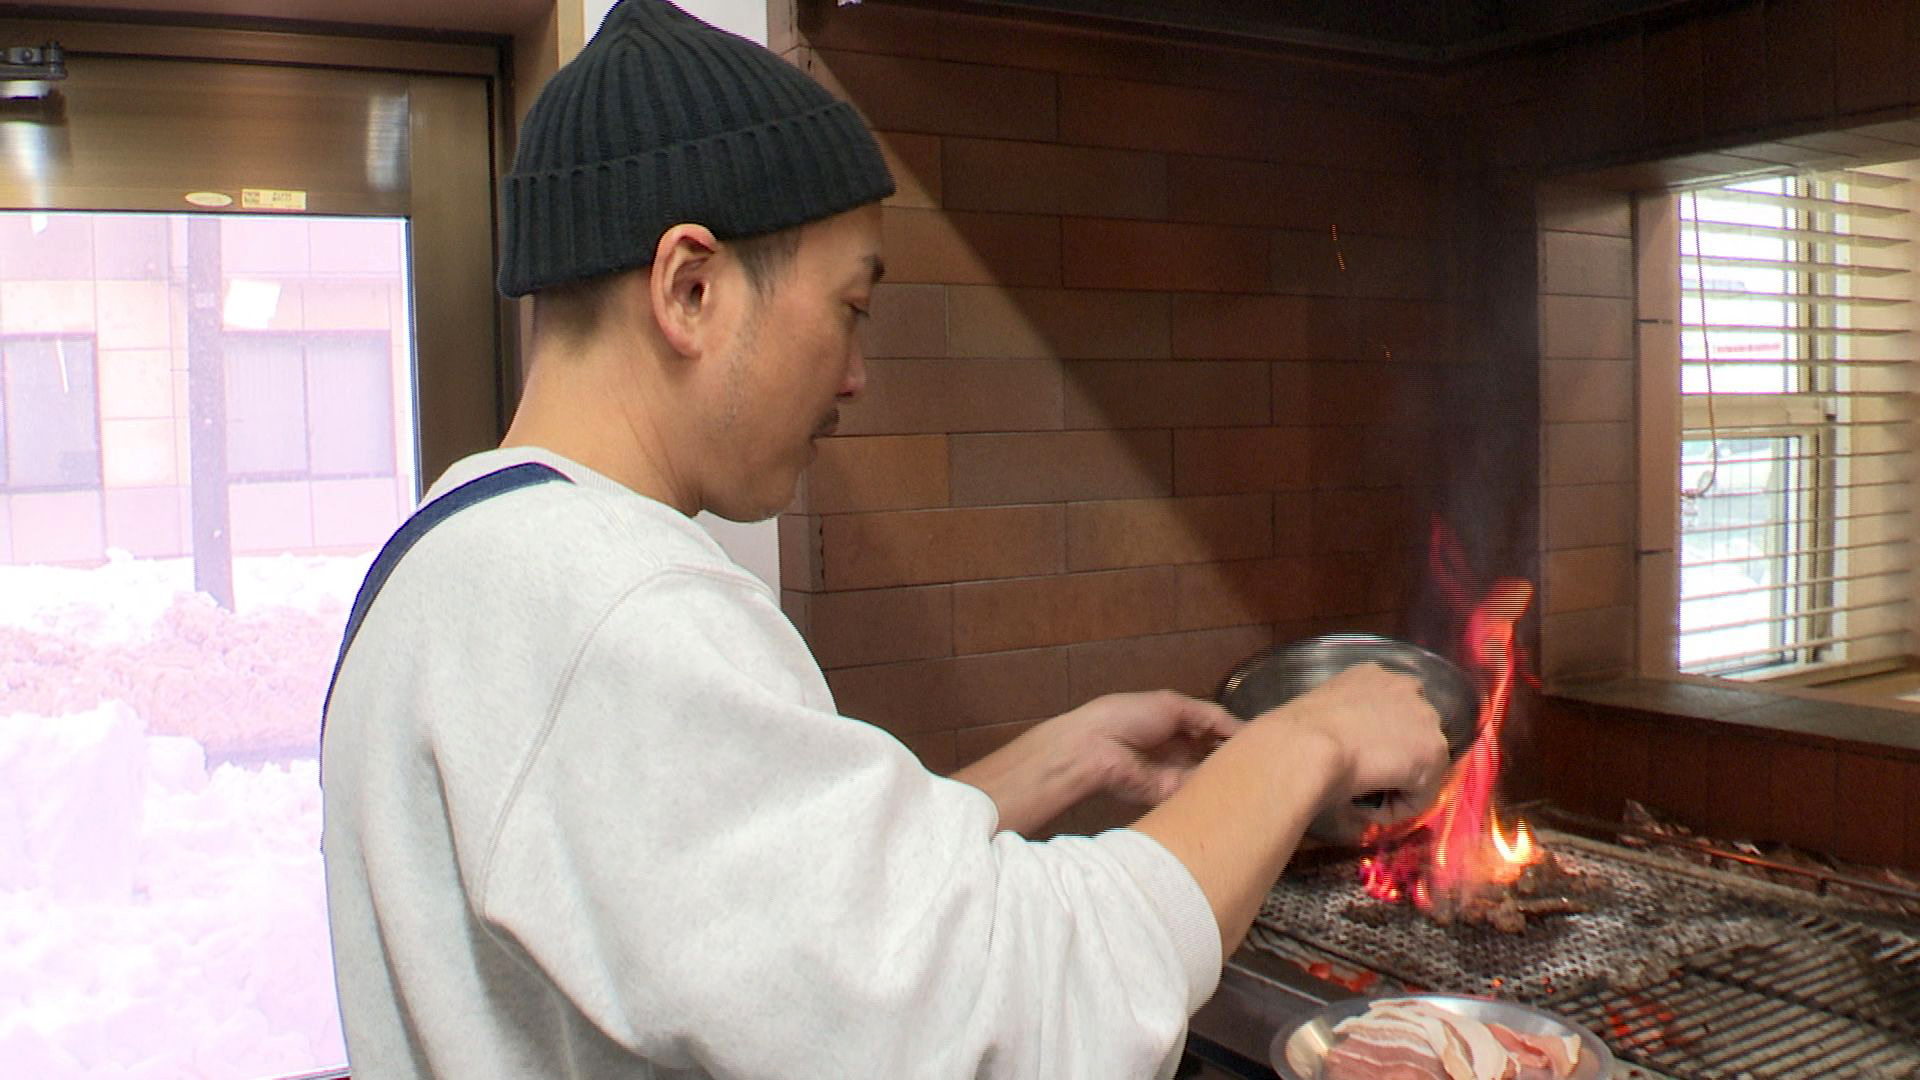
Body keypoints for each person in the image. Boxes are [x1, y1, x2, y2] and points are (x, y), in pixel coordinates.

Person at [318, 2, 1451, 1077]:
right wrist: (1306, 742)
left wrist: (1058, 761)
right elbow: (1019, 1018)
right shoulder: (609, 611)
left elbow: (750, 927)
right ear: (692, 288)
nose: (857, 373)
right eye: (851, 307)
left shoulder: (459, 558)